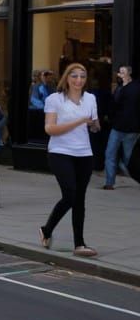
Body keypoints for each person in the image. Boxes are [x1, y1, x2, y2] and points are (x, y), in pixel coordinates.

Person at [40, 62, 100, 257]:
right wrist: (80, 121)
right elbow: (50, 129)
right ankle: (47, 229)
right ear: (66, 78)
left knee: (79, 199)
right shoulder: (55, 99)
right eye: (74, 76)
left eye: (82, 76)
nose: (78, 80)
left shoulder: (90, 99)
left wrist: (93, 125)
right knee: (70, 195)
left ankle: (79, 244)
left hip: (84, 153)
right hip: (60, 152)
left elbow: (94, 124)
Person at [102, 65, 140, 189]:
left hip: (125, 128)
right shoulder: (121, 88)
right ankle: (109, 182)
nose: (120, 74)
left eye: (122, 72)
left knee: (117, 155)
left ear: (129, 73)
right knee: (116, 155)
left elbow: (114, 105)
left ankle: (110, 182)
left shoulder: (125, 88)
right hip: (124, 127)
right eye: (119, 72)